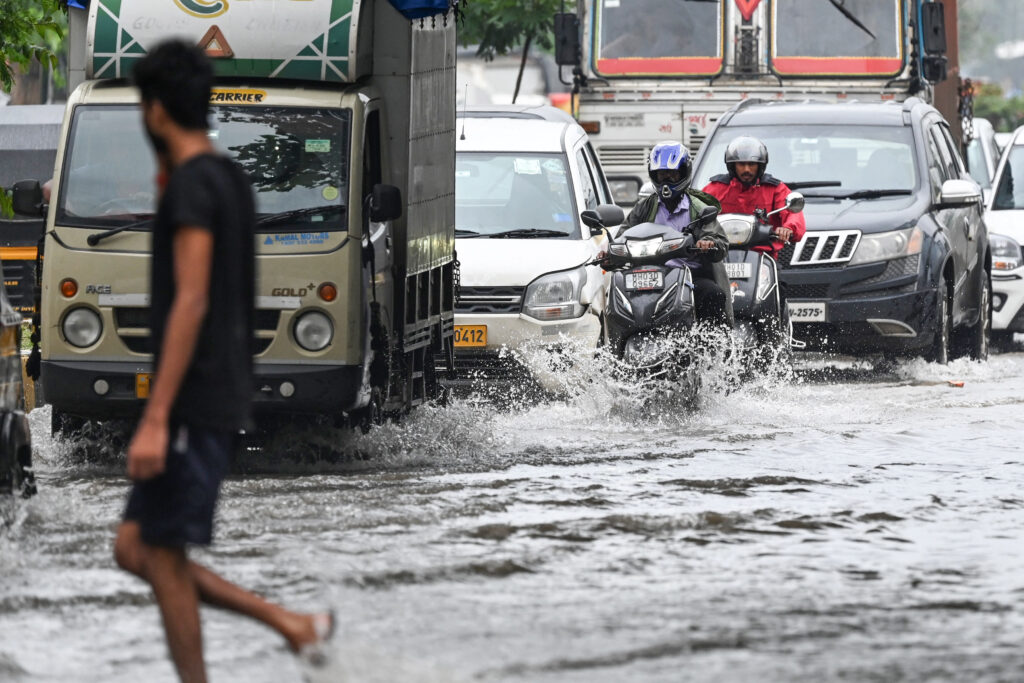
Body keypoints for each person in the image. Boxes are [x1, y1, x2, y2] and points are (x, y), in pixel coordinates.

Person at [112, 40, 332, 682]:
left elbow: (192, 299)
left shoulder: (191, 188)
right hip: (216, 391)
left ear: (154, 112)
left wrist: (156, 417)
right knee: (136, 548)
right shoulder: (227, 176)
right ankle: (290, 624)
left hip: (192, 399)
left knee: (160, 550)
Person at [625, 140, 733, 328]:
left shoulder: (699, 208)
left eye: (672, 175)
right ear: (654, 175)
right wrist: (609, 253)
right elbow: (624, 235)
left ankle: (713, 349)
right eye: (662, 175)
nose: (666, 181)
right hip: (649, 278)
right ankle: (614, 349)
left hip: (689, 277)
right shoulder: (644, 208)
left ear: (683, 174)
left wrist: (708, 242)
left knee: (713, 294)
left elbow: (720, 241)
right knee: (618, 301)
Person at [702, 135, 806, 260]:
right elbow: (696, 212)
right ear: (732, 165)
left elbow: (792, 213)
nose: (747, 169)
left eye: (752, 164)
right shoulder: (716, 188)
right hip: (720, 255)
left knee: (778, 279)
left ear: (760, 166)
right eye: (741, 164)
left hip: (762, 256)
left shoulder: (775, 189)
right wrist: (701, 236)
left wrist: (788, 228)